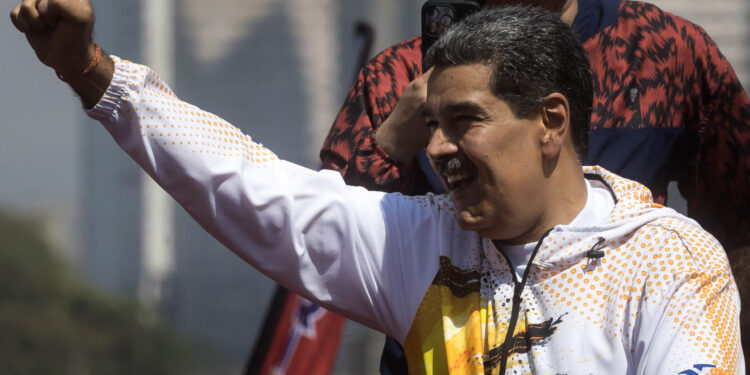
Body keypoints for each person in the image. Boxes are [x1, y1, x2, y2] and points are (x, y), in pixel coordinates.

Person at [11, 1, 745, 374]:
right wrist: (92, 74)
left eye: (463, 123)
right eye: (432, 122)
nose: (435, 149)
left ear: (551, 120)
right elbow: (249, 185)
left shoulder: (671, 262)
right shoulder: (425, 243)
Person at [320, 0, 750, 370]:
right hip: (445, 350)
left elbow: (740, 222)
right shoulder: (404, 76)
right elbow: (334, 236)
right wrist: (395, 139)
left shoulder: (664, 50)